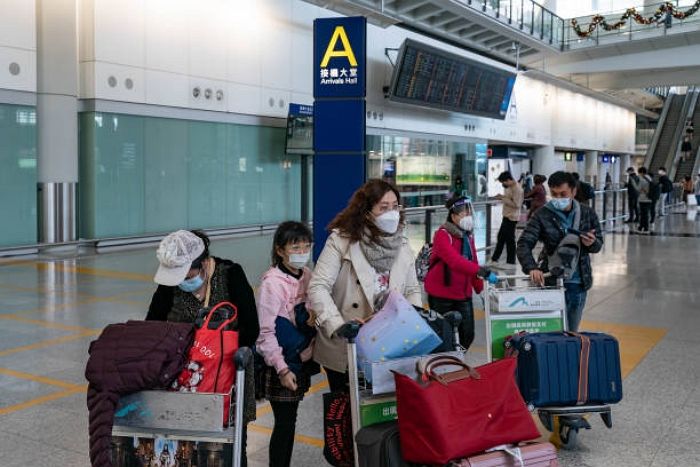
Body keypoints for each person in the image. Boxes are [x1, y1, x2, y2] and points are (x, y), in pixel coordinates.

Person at [146, 229, 259, 467]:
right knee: (186, 448)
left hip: (229, 378)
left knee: (232, 445)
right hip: (184, 379)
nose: (182, 280)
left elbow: (251, 328)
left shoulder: (231, 275)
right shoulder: (171, 284)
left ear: (204, 263)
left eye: (188, 273)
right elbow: (152, 325)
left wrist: (220, 353)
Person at [308, 179, 422, 392]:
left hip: (391, 342)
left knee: (384, 414)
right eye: (383, 207)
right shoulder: (342, 241)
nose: (392, 213)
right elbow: (318, 286)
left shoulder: (402, 243)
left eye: (395, 206)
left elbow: (412, 289)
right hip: (348, 343)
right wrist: (338, 325)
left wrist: (416, 319)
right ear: (367, 211)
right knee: (347, 414)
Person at [256, 221, 316, 467]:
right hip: (280, 363)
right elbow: (265, 332)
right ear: (280, 250)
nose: (302, 252)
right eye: (295, 247)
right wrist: (282, 369)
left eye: (306, 247)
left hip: (300, 357)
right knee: (284, 422)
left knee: (290, 420)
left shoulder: (307, 275)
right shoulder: (272, 283)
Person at [516, 171, 603, 332]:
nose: (558, 199)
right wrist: (531, 267)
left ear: (573, 191)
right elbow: (524, 243)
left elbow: (598, 245)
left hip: (578, 282)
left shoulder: (587, 213)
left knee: (571, 332)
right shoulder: (542, 214)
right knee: (551, 332)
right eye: (554, 194)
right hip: (551, 281)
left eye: (563, 194)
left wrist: (591, 243)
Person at [424, 196, 496, 351]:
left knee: (467, 335)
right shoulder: (443, 235)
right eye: (464, 213)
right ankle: (446, 366)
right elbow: (455, 261)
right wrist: (481, 271)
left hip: (463, 295)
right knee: (444, 336)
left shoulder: (468, 237)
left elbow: (473, 263)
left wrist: (481, 289)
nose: (468, 217)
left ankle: (457, 362)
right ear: (453, 216)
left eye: (469, 213)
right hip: (441, 295)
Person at [489, 171, 523, 269]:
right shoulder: (510, 187)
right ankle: (494, 259)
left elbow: (517, 204)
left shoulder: (517, 189)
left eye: (504, 182)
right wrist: (502, 197)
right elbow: (509, 199)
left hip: (512, 217)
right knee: (501, 237)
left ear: (508, 180)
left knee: (510, 240)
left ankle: (510, 262)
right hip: (507, 216)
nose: (503, 185)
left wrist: (503, 199)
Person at [637, 167, 653, 233]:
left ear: (642, 172)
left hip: (643, 199)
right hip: (650, 198)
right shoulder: (650, 178)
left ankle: (645, 228)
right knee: (645, 213)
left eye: (640, 173)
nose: (639, 174)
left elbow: (638, 188)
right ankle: (641, 227)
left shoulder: (642, 180)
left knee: (643, 214)